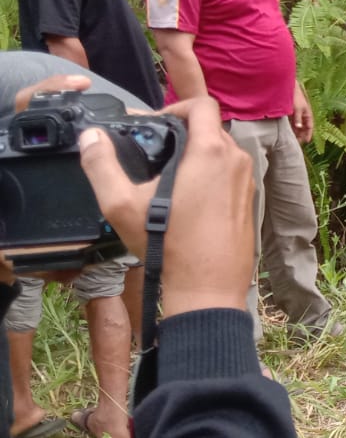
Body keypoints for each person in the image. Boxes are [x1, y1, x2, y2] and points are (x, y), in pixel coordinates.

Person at [0, 56, 298, 435]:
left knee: (103, 285)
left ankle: (98, 412)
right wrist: (209, 305)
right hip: (115, 157)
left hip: (117, 161)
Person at [141, 0, 337, 342]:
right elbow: (175, 47)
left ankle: (310, 322)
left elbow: (265, 22)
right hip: (228, 120)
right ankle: (238, 338)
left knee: (294, 224)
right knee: (234, 235)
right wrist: (206, 123)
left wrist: (292, 88)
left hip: (274, 114)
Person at [9, 0, 167, 438]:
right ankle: (21, 409)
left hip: (102, 130)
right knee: (28, 265)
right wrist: (101, 121)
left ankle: (112, 410)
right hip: (79, 132)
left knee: (108, 265)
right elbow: (63, 49)